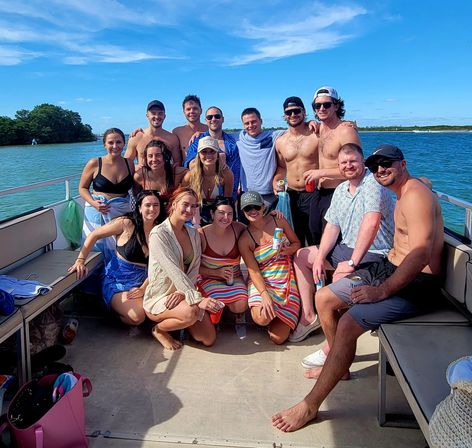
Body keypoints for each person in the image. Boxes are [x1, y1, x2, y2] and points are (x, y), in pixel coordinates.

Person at [272, 144, 444, 432]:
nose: (380, 170)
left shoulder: (414, 195)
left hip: (417, 284)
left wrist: (383, 290)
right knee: (324, 297)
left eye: (386, 163)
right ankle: (340, 367)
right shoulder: (404, 191)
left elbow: (421, 252)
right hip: (389, 269)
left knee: (350, 322)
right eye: (375, 166)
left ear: (403, 164)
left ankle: (310, 405)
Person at [290, 143, 394, 344]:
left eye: (353, 161)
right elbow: (332, 227)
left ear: (362, 162)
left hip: (375, 254)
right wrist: (320, 258)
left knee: (334, 288)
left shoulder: (373, 184)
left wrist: (352, 263)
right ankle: (310, 316)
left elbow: (371, 223)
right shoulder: (340, 190)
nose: (348, 166)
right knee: (302, 256)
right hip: (346, 248)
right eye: (343, 163)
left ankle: (336, 349)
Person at [68, 190, 164, 326]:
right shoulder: (126, 224)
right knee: (137, 317)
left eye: (156, 205)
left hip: (146, 280)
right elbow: (94, 235)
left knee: (155, 312)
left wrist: (143, 287)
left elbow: (160, 266)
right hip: (119, 280)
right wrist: (80, 260)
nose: (152, 209)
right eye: (147, 205)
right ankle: (112, 310)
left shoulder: (161, 230)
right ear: (139, 208)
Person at [144, 187, 223, 350]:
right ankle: (159, 330)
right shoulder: (158, 234)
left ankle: (182, 321)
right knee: (190, 313)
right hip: (161, 296)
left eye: (194, 206)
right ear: (173, 204)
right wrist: (199, 299)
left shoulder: (194, 234)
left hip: (184, 294)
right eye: (185, 204)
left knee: (209, 339)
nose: (190, 210)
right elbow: (172, 270)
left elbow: (194, 268)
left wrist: (183, 293)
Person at [238, 191, 301, 344]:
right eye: (248, 208)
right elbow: (253, 271)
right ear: (243, 212)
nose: (253, 211)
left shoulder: (278, 220)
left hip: (285, 277)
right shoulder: (245, 239)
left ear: (263, 206)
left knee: (278, 339)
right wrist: (264, 294)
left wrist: (288, 250)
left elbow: (297, 243)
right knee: (262, 317)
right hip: (262, 280)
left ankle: (279, 315)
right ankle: (270, 313)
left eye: (256, 207)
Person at [303, 86, 361, 245]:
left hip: (339, 193)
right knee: (315, 237)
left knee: (334, 243)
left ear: (336, 106)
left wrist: (319, 173)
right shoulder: (319, 128)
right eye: (317, 105)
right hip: (319, 193)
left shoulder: (346, 131)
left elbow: (356, 169)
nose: (321, 108)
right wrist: (311, 122)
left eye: (327, 105)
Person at [79, 127, 134, 262]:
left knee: (120, 248)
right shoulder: (94, 163)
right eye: (110, 143)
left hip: (121, 213)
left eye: (119, 142)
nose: (115, 146)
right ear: (104, 144)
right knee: (95, 250)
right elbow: (82, 188)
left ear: (124, 143)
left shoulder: (129, 163)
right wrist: (93, 203)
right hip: (97, 211)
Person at [273, 97, 319, 246]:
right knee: (294, 235)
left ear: (304, 112)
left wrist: (348, 125)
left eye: (296, 111)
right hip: (291, 194)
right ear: (284, 115)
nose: (293, 115)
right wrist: (275, 181)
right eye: (289, 112)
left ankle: (319, 267)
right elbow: (281, 167)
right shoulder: (280, 141)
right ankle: (299, 267)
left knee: (315, 234)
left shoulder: (316, 135)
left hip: (313, 192)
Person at [197, 197, 248, 323]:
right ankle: (222, 315)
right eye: (221, 213)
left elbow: (258, 229)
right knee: (214, 307)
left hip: (234, 278)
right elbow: (193, 267)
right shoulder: (201, 234)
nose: (226, 217)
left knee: (241, 305)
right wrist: (216, 273)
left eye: (230, 214)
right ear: (212, 213)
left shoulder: (239, 229)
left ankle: (229, 311)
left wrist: (273, 216)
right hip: (209, 278)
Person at [184, 106, 240, 200]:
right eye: (210, 117)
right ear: (206, 120)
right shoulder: (198, 141)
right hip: (201, 191)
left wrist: (233, 198)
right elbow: (190, 164)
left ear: (222, 119)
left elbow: (235, 171)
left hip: (225, 192)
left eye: (217, 116)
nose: (213, 119)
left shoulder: (232, 143)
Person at [237, 107, 285, 210]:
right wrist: (199, 133)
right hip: (248, 194)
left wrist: (311, 123)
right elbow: (217, 135)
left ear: (261, 121)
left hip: (270, 194)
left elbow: (295, 130)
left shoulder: (273, 136)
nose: (250, 126)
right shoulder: (238, 138)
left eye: (254, 122)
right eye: (247, 123)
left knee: (271, 225)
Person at [182, 136, 234, 225]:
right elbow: (183, 199)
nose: (208, 155)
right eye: (204, 152)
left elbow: (227, 202)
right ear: (199, 155)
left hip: (218, 213)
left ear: (217, 154)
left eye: (212, 151)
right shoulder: (190, 176)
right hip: (195, 213)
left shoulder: (226, 174)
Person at [125, 100, 181, 167]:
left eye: (160, 113)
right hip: (143, 176)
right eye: (153, 113)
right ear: (147, 115)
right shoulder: (136, 137)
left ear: (164, 116)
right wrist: (136, 168)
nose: (157, 117)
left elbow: (177, 163)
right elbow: (126, 163)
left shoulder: (172, 139)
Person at [133, 140, 187, 205]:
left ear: (165, 156)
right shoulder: (140, 176)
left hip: (172, 211)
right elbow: (137, 200)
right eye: (150, 156)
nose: (154, 159)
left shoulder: (177, 173)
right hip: (152, 212)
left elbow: (191, 173)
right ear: (146, 158)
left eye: (158, 155)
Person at [172, 95, 208, 162]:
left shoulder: (209, 130)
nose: (192, 111)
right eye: (188, 109)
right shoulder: (177, 132)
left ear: (201, 110)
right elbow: (177, 160)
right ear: (184, 112)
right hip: (188, 170)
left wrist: (205, 134)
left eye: (195, 108)